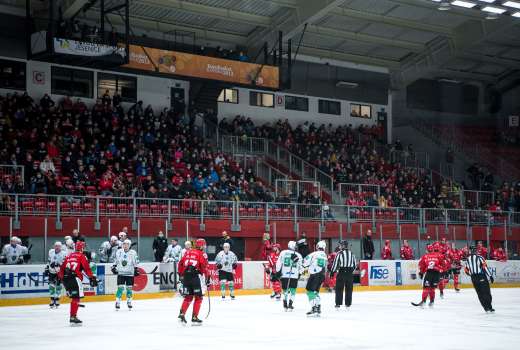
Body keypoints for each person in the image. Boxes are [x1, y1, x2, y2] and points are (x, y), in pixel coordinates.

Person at [58, 241, 97, 325]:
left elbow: (61, 269)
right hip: (74, 278)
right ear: (82, 248)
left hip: (66, 280)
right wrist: (92, 278)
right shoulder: (82, 256)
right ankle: (73, 316)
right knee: (76, 298)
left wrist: (60, 278)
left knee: (74, 298)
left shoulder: (69, 255)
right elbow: (87, 269)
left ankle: (73, 315)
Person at [177, 238, 209, 325]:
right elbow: (204, 267)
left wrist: (180, 275)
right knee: (198, 298)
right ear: (201, 246)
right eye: (204, 245)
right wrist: (207, 278)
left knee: (188, 297)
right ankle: (194, 317)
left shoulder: (188, 252)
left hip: (186, 277)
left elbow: (180, 263)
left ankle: (181, 314)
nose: (205, 246)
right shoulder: (202, 254)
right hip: (195, 277)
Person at [465, 246, 495, 312]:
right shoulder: (479, 257)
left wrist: (472, 275)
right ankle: (489, 307)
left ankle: (485, 308)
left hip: (474, 278)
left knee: (480, 293)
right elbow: (485, 267)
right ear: (475, 251)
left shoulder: (467, 259)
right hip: (481, 276)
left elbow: (466, 271)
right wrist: (490, 276)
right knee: (486, 292)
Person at [112, 239, 139, 310]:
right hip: (121, 273)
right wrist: (113, 267)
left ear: (129, 245)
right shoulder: (119, 251)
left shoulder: (133, 252)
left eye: (127, 244)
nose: (125, 245)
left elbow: (135, 262)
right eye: (124, 244)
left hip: (130, 274)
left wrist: (136, 269)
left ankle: (129, 302)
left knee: (129, 289)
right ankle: (117, 302)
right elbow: (116, 260)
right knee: (120, 288)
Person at [275, 241, 303, 311]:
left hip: (284, 274)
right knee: (293, 290)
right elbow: (301, 266)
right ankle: (290, 304)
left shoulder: (283, 252)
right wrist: (300, 273)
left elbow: (278, 263)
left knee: (285, 289)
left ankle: (285, 303)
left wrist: (278, 271)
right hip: (294, 275)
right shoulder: (298, 255)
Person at [303, 241, 328, 316]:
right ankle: (318, 307)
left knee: (309, 291)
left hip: (315, 274)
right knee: (315, 292)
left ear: (318, 246)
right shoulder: (325, 255)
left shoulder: (314, 254)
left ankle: (314, 308)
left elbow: (305, 263)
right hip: (322, 275)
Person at [330, 240, 357, 309]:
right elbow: (354, 265)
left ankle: (338, 304)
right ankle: (348, 304)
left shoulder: (339, 253)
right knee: (349, 289)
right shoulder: (352, 253)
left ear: (343, 245)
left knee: (339, 288)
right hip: (349, 273)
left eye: (340, 245)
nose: (340, 246)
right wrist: (351, 271)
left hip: (342, 272)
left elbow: (335, 264)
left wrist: (332, 272)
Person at [45, 241, 67, 308]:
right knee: (51, 285)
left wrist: (59, 265)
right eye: (56, 246)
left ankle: (57, 300)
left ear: (61, 247)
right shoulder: (51, 252)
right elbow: (49, 261)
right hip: (52, 271)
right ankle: (52, 300)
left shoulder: (64, 253)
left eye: (58, 246)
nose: (57, 247)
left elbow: (65, 263)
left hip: (59, 272)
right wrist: (47, 268)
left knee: (58, 286)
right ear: (54, 246)